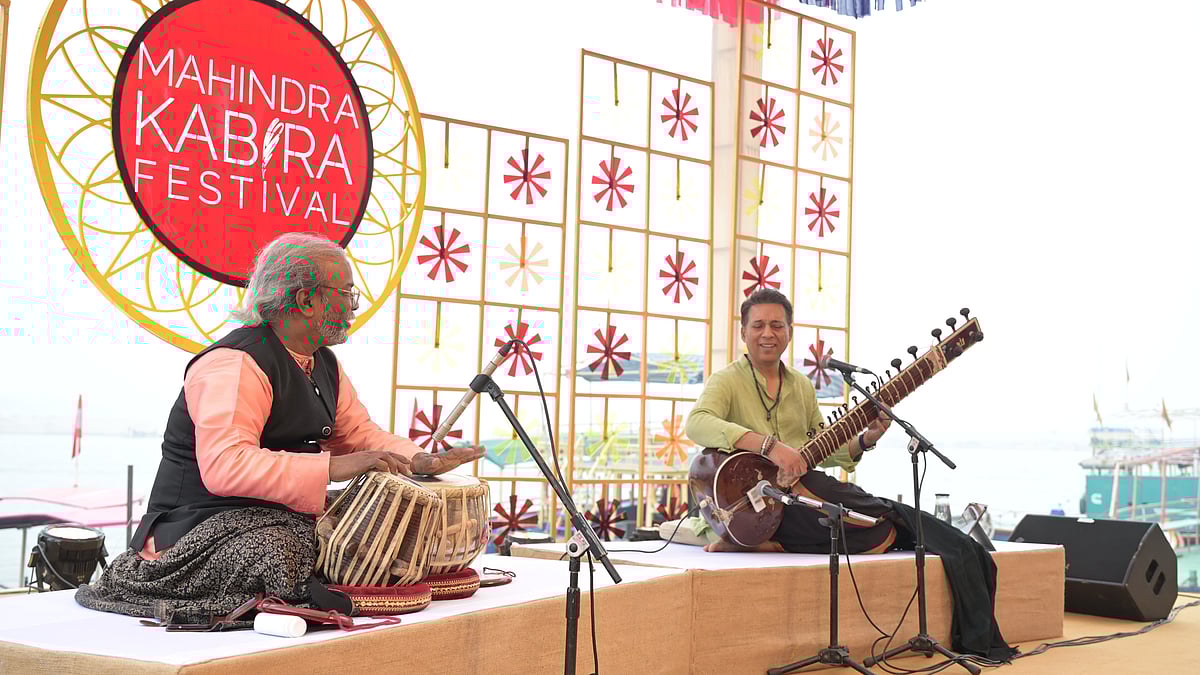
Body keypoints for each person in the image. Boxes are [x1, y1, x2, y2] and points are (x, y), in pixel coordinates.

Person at [76, 232, 484, 625]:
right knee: (283, 549)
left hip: (271, 521)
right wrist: (333, 468)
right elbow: (226, 465)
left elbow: (360, 434)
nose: (354, 307)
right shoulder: (234, 363)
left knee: (360, 531)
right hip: (194, 530)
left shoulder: (323, 363)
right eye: (346, 294)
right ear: (307, 299)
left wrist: (418, 460)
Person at [685, 288, 1016, 661]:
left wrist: (868, 437)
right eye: (758, 325)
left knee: (876, 527)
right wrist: (768, 447)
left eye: (777, 325)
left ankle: (765, 541)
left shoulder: (801, 386)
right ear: (743, 332)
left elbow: (822, 451)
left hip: (798, 494)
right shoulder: (728, 380)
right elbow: (697, 424)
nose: (768, 333)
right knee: (880, 523)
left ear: (789, 332)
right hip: (743, 499)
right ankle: (753, 536)